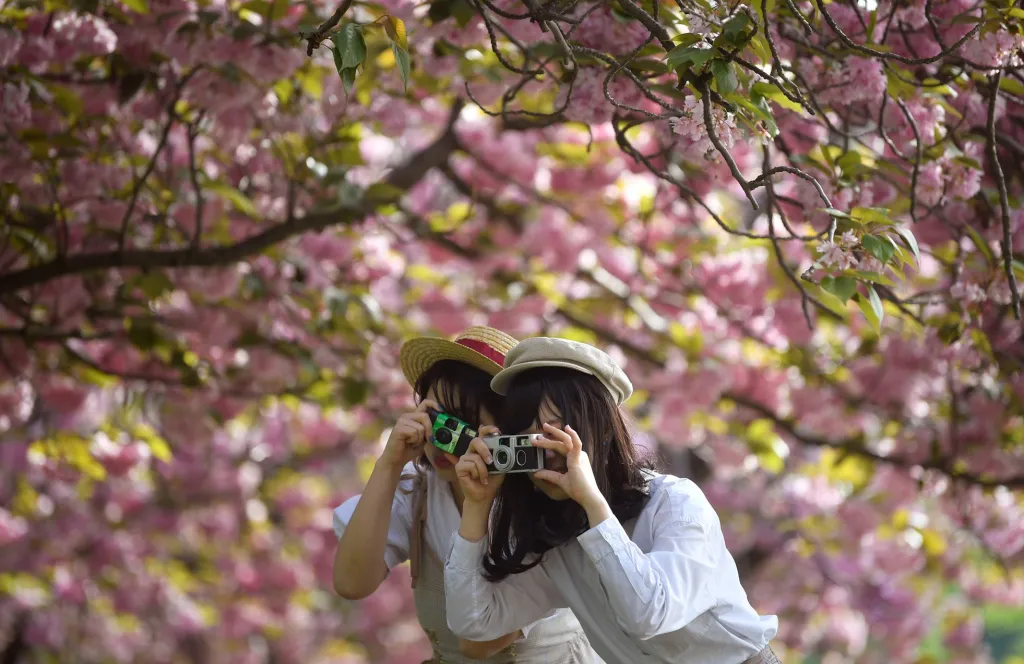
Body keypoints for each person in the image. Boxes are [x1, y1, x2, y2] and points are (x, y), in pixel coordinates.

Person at [444, 337, 781, 664]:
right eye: (528, 441)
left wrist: (593, 503)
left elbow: (649, 614)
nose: (546, 455)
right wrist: (477, 505)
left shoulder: (675, 503)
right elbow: (474, 623)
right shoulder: (556, 541)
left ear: (603, 430)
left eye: (555, 435)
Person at [332, 327, 599, 663]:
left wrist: (477, 503)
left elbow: (478, 643)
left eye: (463, 424)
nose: (443, 439)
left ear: (507, 430)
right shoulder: (420, 492)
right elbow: (351, 583)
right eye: (436, 418)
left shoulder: (546, 502)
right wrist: (389, 464)